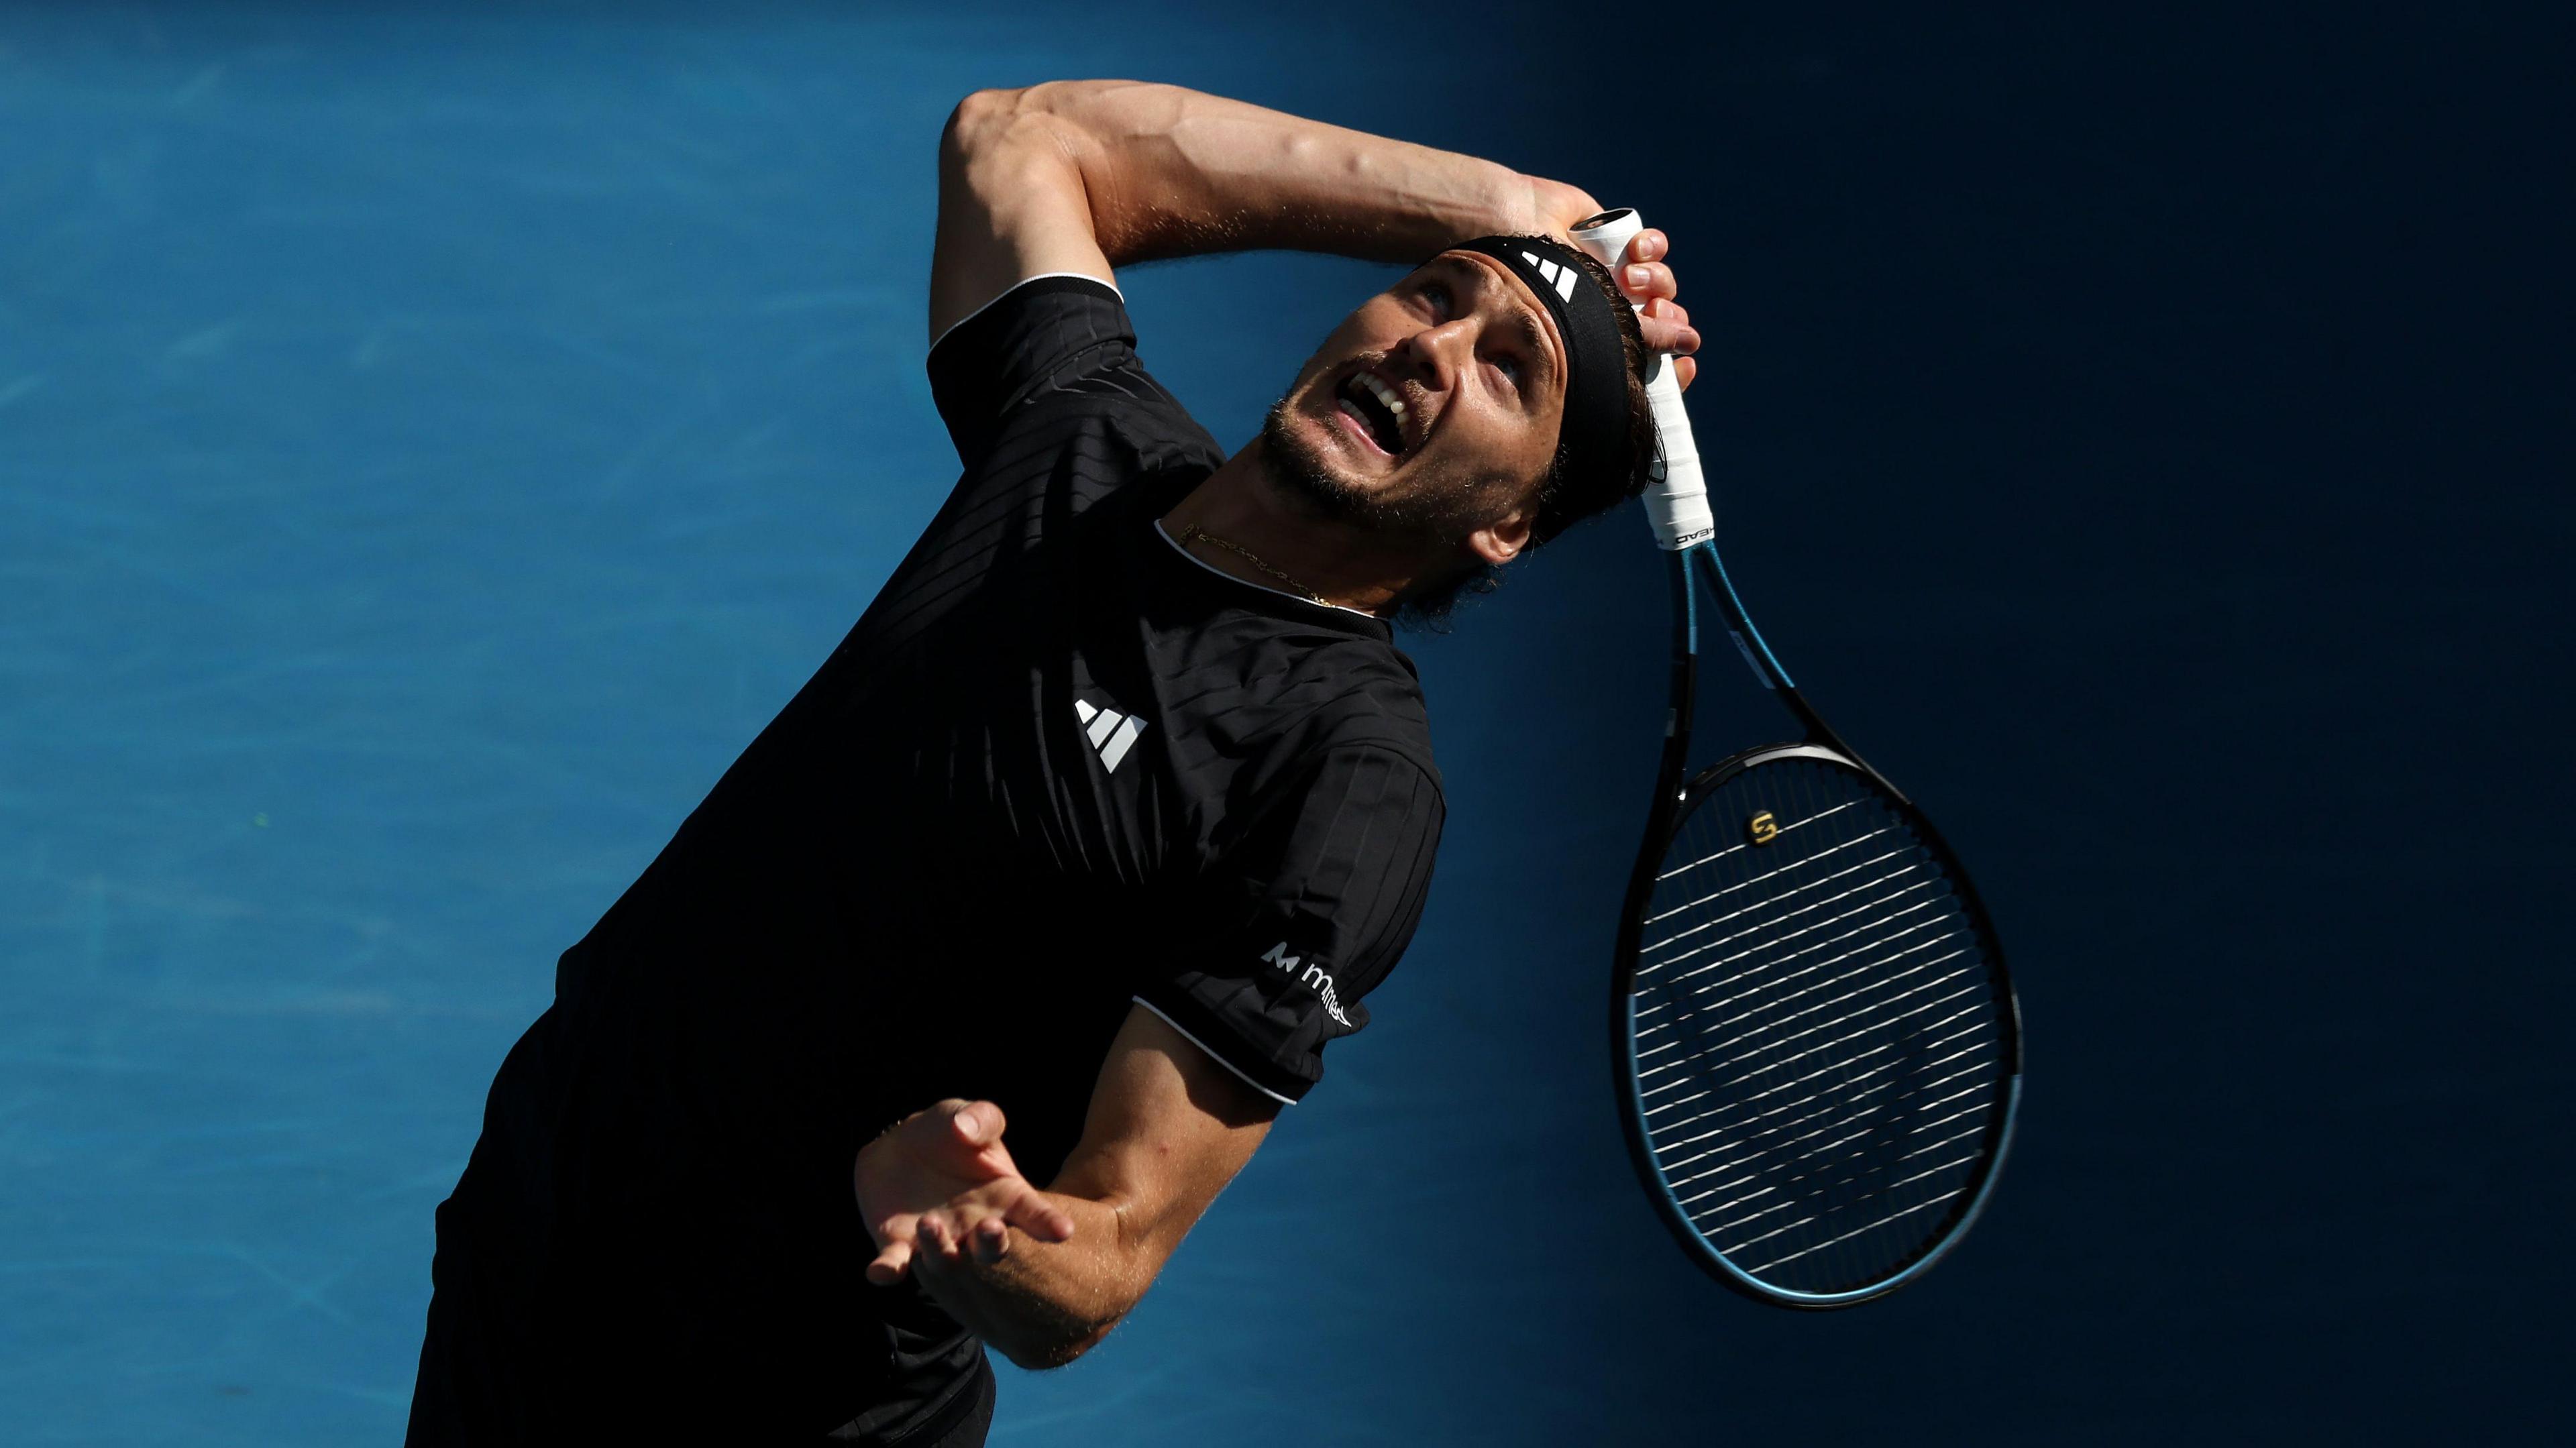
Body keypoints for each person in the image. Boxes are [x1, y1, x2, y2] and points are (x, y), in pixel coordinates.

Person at [404, 78, 1699, 1446]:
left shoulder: (1342, 782)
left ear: (1508, 528)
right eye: (1435, 296)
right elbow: (1021, 136)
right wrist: (1508, 209)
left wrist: (997, 1240)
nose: (1437, 347)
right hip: (540, 1237)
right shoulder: (1079, 438)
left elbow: (1103, 1261)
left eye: (1512, 372)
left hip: (771, 1397)